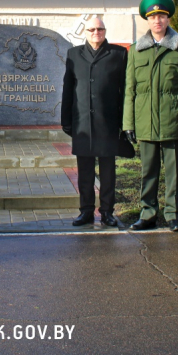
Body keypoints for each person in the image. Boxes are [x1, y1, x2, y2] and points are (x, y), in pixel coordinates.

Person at [123, 0, 178, 232]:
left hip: (172, 119)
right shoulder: (136, 50)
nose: (157, 21)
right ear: (147, 19)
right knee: (148, 172)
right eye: (153, 16)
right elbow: (130, 89)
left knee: (173, 173)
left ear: (168, 19)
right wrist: (128, 124)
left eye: (162, 16)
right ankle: (148, 214)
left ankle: (173, 214)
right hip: (145, 121)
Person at [61, 16, 128, 229]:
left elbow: (125, 90)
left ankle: (107, 212)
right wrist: (66, 121)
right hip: (82, 124)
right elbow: (68, 89)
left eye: (99, 29)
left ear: (105, 31)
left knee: (108, 172)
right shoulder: (74, 55)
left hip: (108, 123)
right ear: (85, 32)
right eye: (91, 29)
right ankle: (86, 212)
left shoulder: (118, 54)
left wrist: (125, 123)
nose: (96, 33)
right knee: (85, 172)